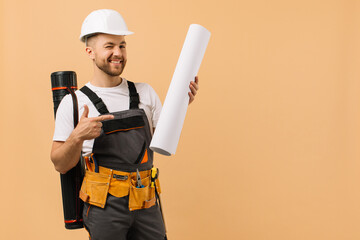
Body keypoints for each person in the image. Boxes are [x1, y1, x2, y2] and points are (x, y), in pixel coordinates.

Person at [50, 9, 199, 240]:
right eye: (109, 46)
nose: (117, 53)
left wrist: (181, 105)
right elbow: (60, 164)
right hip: (105, 207)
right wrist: (77, 136)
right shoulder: (74, 102)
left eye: (122, 45)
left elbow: (163, 141)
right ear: (89, 51)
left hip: (146, 200)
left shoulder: (145, 93)